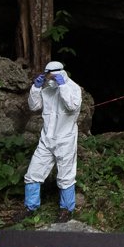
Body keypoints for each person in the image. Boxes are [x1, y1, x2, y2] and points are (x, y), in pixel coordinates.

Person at [23, 61, 83, 218]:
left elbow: (72, 106)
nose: (50, 79)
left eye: (53, 76)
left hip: (65, 139)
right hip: (46, 139)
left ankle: (66, 210)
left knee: (66, 175)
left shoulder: (73, 88)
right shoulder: (47, 90)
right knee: (33, 173)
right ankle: (30, 208)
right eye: (47, 76)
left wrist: (63, 86)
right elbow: (34, 106)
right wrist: (36, 88)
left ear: (61, 74)